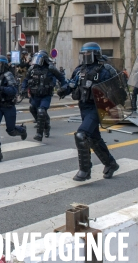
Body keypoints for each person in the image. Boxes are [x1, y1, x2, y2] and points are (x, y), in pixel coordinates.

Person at [57, 42, 119, 181]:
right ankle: (110, 164)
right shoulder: (80, 70)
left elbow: (116, 89)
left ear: (96, 55)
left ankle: (85, 170)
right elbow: (72, 84)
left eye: (88, 54)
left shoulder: (105, 69)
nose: (85, 56)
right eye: (83, 54)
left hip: (97, 108)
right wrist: (63, 90)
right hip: (83, 107)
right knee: (93, 138)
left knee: (81, 135)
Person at [21, 50, 66, 140]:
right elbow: (26, 79)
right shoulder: (32, 69)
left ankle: (39, 134)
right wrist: (23, 89)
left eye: (39, 59)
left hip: (46, 95)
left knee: (41, 111)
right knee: (33, 109)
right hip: (35, 95)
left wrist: (64, 88)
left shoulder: (51, 68)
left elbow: (61, 78)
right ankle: (46, 126)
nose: (37, 61)